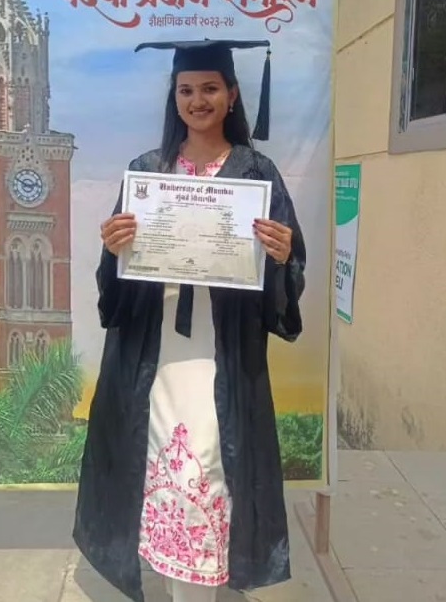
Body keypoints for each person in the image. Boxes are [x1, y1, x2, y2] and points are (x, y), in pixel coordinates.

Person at [73, 39, 307, 602]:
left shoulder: (256, 173)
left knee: (208, 467)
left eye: (209, 88)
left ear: (231, 95)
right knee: (160, 469)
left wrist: (281, 257)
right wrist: (114, 246)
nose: (197, 100)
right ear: (173, 97)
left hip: (222, 354)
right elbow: (118, 286)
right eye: (186, 90)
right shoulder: (148, 171)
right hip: (155, 358)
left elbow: (286, 277)